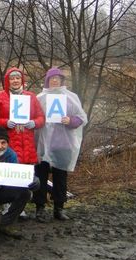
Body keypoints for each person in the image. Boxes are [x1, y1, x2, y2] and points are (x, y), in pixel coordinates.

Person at [0, 67, 44, 219]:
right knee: (8, 174)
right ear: (7, 81)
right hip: (8, 142)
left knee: (24, 175)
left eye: (18, 78)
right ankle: (7, 205)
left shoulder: (31, 97)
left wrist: (34, 123)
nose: (15, 81)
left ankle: (20, 206)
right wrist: (5, 122)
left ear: (22, 80)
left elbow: (41, 117)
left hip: (27, 142)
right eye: (12, 78)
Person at [33, 67, 88, 221]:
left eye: (58, 78)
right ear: (47, 81)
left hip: (62, 144)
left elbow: (81, 118)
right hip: (42, 145)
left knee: (60, 177)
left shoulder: (71, 98)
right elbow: (31, 117)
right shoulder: (39, 98)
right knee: (40, 176)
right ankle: (40, 208)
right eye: (52, 78)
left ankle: (59, 208)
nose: (55, 81)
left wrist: (70, 120)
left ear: (62, 81)